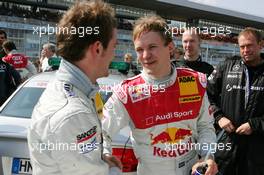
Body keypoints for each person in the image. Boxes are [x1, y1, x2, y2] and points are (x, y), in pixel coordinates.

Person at [103, 15, 218, 175]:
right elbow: (102, 132)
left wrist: (207, 156)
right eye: (139, 50)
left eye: (152, 47)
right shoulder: (128, 92)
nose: (145, 55)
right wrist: (105, 156)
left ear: (170, 47)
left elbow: (205, 126)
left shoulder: (191, 81)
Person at [27, 1, 121, 175]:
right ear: (98, 49)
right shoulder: (73, 113)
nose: (115, 54)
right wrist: (113, 169)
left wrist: (101, 158)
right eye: (114, 46)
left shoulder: (76, 90)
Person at [207, 27, 264, 175]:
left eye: (250, 45)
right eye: (242, 46)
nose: (245, 50)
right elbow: (206, 96)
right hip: (227, 143)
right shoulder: (226, 66)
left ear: (261, 44)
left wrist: (255, 124)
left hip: (257, 149)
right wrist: (219, 117)